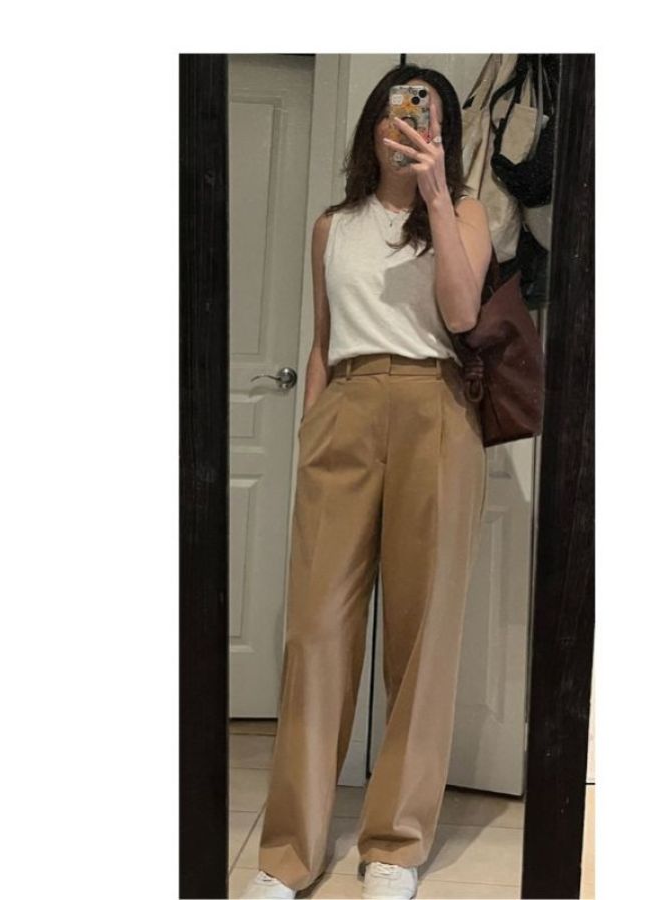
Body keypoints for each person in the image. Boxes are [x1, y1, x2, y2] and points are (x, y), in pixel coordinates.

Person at [242, 63, 492, 900]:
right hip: (345, 406)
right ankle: (288, 852)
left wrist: (436, 195)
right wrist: (312, 431)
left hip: (434, 408)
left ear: (444, 131)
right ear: (371, 125)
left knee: (422, 637)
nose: (407, 125)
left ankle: (395, 844)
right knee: (316, 631)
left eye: (426, 114)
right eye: (396, 110)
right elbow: (322, 340)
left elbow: (462, 313)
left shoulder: (464, 212)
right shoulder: (332, 226)